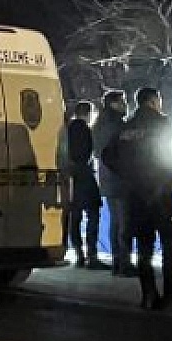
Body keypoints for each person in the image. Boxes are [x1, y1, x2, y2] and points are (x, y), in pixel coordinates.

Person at [106, 87, 172, 310]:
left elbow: (108, 156)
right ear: (153, 101)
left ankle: (148, 295)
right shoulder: (163, 125)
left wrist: (127, 174)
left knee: (144, 246)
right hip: (160, 193)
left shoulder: (125, 128)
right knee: (171, 243)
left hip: (135, 195)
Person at [58, 100, 105, 268]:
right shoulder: (84, 129)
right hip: (84, 176)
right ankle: (92, 255)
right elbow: (87, 153)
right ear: (89, 113)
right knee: (93, 215)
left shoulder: (66, 130)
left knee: (75, 218)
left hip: (71, 177)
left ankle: (79, 254)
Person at [91, 89, 132, 274]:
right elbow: (121, 152)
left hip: (107, 180)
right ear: (113, 104)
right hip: (120, 179)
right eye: (122, 101)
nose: (125, 105)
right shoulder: (116, 125)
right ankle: (124, 262)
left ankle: (118, 261)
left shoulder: (99, 124)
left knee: (116, 222)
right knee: (124, 223)